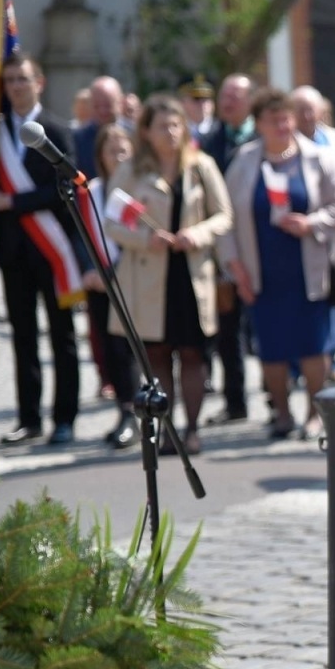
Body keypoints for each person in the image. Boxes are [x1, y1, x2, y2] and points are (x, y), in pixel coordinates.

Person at [218, 88, 335, 440]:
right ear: (259, 124)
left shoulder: (319, 158)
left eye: (286, 118)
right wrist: (234, 268)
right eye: (272, 119)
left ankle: (315, 412)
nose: (281, 125)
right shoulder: (244, 161)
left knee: (314, 345)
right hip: (262, 270)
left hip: (309, 269)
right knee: (272, 348)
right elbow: (226, 219)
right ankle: (281, 412)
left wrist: (311, 223)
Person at [0, 55, 91, 445]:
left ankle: (65, 418)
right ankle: (29, 419)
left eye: (23, 79)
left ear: (39, 82)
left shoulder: (55, 129)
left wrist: (15, 204)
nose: (17, 86)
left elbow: (65, 185)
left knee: (62, 337)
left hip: (52, 249)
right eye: (10, 81)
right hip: (12, 252)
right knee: (23, 337)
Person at [102, 94, 233, 455]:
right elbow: (111, 221)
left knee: (193, 354)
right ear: (146, 131)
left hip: (190, 272)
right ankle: (168, 429)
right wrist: (145, 238)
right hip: (148, 277)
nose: (171, 132)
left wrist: (198, 234)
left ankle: (191, 430)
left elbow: (223, 216)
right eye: (162, 125)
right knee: (157, 356)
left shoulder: (201, 166)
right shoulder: (131, 170)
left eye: (176, 124)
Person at [201, 72, 256, 426]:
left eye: (236, 95)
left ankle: (277, 397)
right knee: (228, 329)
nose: (228, 101)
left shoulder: (263, 137)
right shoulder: (209, 141)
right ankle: (235, 402)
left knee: (266, 325)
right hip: (223, 248)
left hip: (260, 244)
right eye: (224, 95)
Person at [86, 122, 141, 450]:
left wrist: (115, 273)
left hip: (132, 279)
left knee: (133, 350)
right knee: (111, 350)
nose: (118, 157)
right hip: (99, 282)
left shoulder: (139, 190)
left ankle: (139, 413)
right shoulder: (90, 192)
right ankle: (124, 411)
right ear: (101, 157)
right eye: (112, 151)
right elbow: (78, 235)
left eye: (124, 150)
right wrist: (89, 269)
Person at [73, 75, 127, 177]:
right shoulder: (78, 139)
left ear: (120, 102)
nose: (102, 111)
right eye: (97, 106)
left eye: (107, 105)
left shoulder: (134, 134)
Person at [290, 85, 335, 165]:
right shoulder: (285, 142)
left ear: (320, 111)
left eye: (310, 110)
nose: (306, 116)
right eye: (301, 110)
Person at [180, 74, 215, 141]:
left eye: (206, 99)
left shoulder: (222, 130)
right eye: (196, 99)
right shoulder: (177, 131)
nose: (202, 104)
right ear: (183, 102)